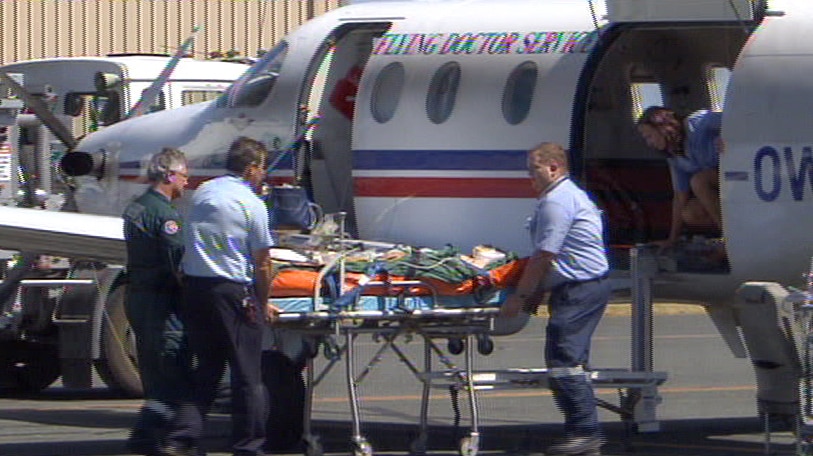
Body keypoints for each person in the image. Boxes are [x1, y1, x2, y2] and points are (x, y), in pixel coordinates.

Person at [160, 137, 280, 456]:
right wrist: (263, 301)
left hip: (197, 289)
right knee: (248, 374)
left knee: (208, 367)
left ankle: (182, 437)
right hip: (232, 290)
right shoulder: (252, 204)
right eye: (262, 169)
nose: (263, 175)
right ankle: (249, 444)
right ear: (252, 168)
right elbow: (263, 262)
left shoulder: (203, 192)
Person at [501, 142, 611, 456]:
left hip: (581, 288)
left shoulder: (557, 202)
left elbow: (544, 255)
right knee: (565, 357)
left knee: (564, 356)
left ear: (553, 167)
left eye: (533, 171)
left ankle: (585, 432)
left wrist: (520, 297)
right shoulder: (564, 197)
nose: (529, 178)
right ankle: (581, 431)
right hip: (577, 287)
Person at [122, 147, 192, 455]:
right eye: (184, 176)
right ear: (170, 175)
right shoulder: (166, 216)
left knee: (152, 370)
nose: (186, 184)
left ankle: (153, 438)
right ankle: (146, 435)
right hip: (163, 303)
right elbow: (178, 263)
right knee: (173, 371)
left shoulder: (135, 208)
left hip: (138, 298)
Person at [636, 106, 723, 251]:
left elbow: (735, 120)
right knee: (690, 213)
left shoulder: (697, 123)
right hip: (725, 189)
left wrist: (730, 138)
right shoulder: (675, 156)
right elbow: (679, 197)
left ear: (663, 127)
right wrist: (672, 239)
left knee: (699, 181)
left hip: (744, 174)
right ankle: (730, 232)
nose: (649, 143)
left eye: (649, 136)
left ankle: (730, 241)